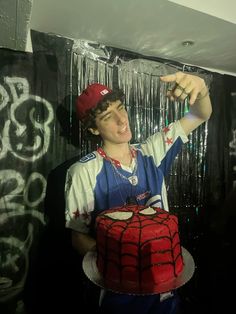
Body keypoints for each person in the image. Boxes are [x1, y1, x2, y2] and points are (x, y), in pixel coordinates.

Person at [64, 71, 212, 314]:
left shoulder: (152, 150)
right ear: (93, 129)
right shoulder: (83, 171)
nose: (122, 120)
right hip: (118, 292)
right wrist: (124, 264)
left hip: (163, 282)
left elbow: (200, 114)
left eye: (121, 108)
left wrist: (201, 88)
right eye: (107, 116)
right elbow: (78, 236)